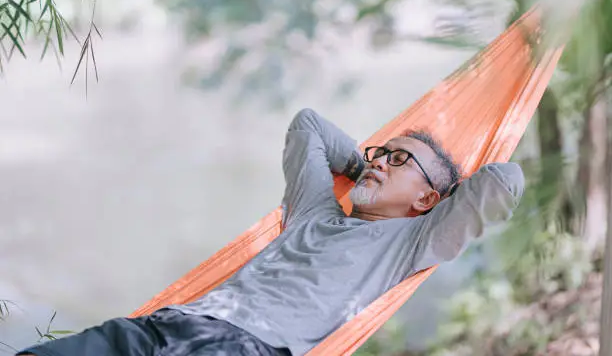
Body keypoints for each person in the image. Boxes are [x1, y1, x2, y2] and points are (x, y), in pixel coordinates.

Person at [18, 108, 524, 356]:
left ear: (428, 200)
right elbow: (308, 125)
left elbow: (504, 181)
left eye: (399, 160)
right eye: (378, 153)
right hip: (168, 324)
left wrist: (433, 196)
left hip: (243, 348)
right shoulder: (313, 211)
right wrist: (365, 167)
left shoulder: (412, 243)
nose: (380, 164)